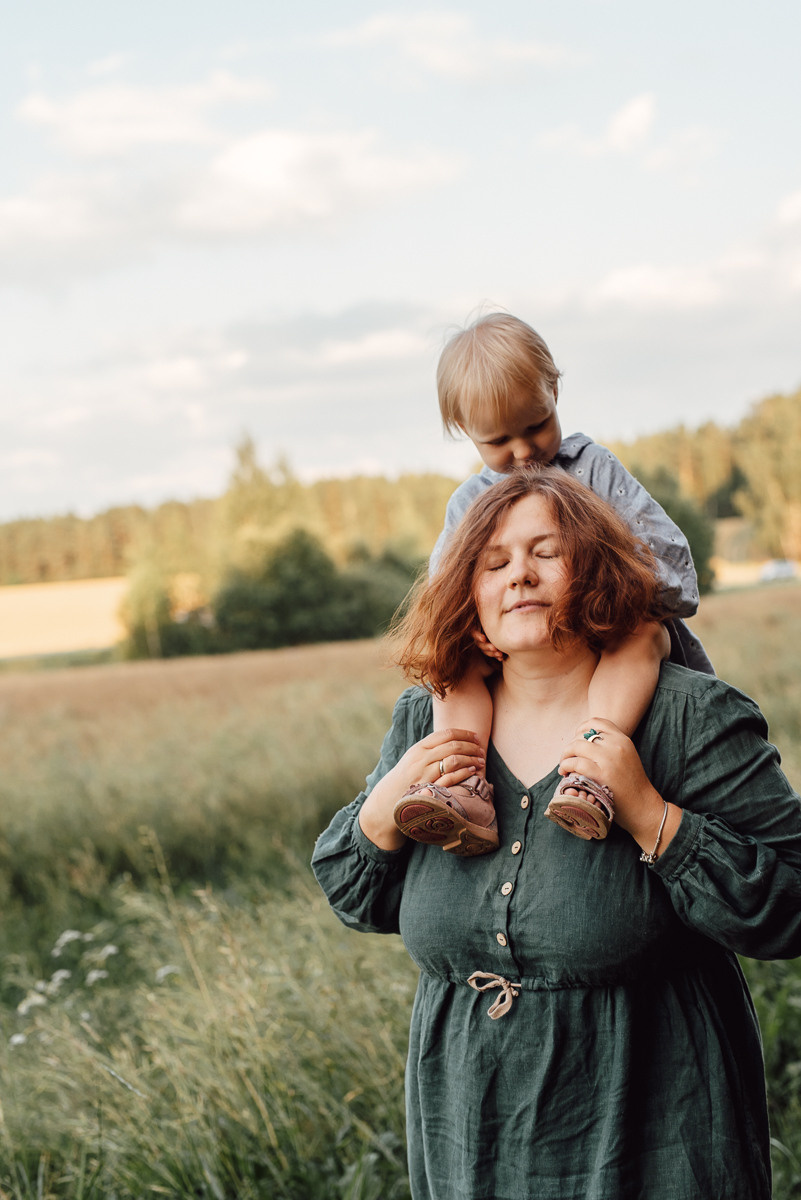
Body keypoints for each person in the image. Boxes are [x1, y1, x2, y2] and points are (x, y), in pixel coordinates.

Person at [312, 465, 801, 1200]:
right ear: (468, 596)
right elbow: (361, 901)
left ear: (596, 571)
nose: (520, 575)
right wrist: (380, 810)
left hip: (656, 1142)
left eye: (547, 552)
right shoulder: (426, 725)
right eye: (495, 561)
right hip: (469, 1143)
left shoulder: (687, 718)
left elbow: (791, 905)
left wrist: (651, 817)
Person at [397, 311, 712, 852]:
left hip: (611, 640)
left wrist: (600, 597)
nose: (523, 453)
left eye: (536, 425)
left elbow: (674, 569)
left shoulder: (593, 471)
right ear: (464, 433)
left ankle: (592, 768)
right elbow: (441, 598)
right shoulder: (470, 505)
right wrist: (467, 626)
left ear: (555, 390)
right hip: (521, 665)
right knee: (452, 664)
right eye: (497, 440)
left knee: (641, 631)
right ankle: (466, 788)